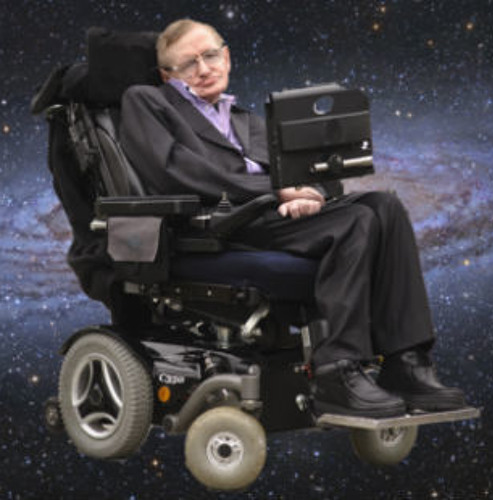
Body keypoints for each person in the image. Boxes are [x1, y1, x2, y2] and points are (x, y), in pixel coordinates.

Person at [119, 19, 466, 418]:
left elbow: (305, 170)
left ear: (226, 57)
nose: (203, 68)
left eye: (210, 55)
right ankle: (336, 369)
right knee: (356, 223)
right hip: (217, 225)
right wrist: (274, 192)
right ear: (168, 75)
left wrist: (310, 194)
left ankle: (406, 362)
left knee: (384, 207)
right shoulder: (147, 101)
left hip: (274, 216)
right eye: (188, 64)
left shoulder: (246, 120)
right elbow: (174, 171)